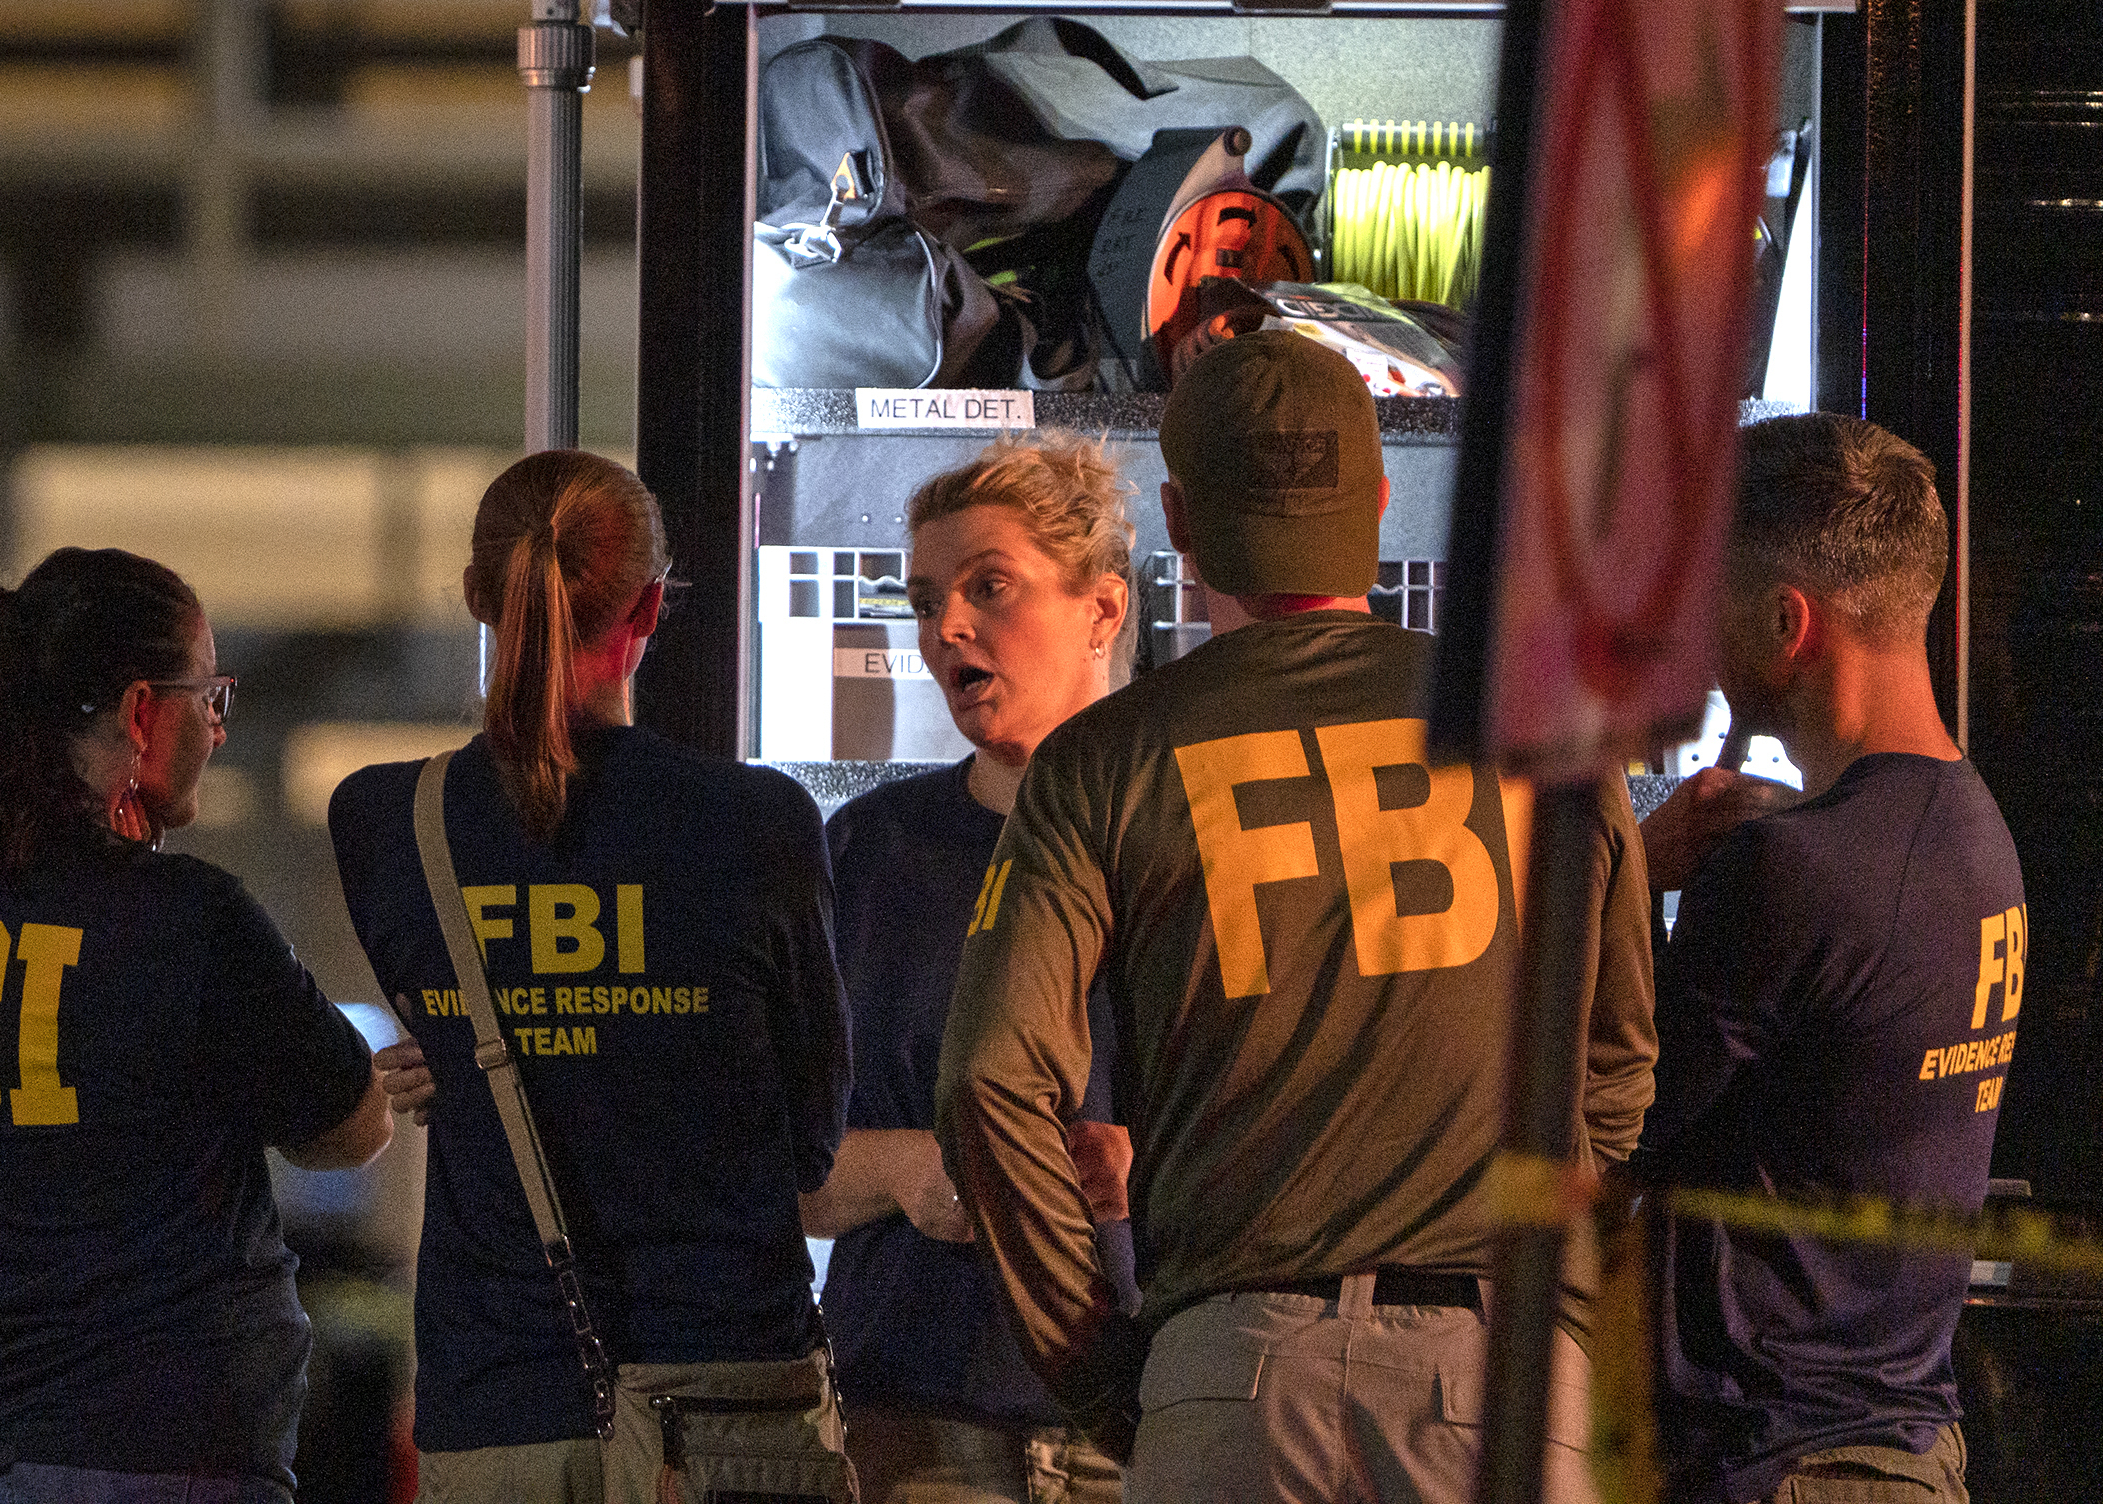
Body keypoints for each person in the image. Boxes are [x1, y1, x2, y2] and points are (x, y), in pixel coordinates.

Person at [937, 332, 1659, 1504]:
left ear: (1179, 518)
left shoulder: (1101, 763)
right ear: (1377, 500)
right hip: (1503, 1374)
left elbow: (986, 1081)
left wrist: (1106, 1368)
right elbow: (1619, 1060)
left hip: (1232, 1375)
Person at [328, 449, 852, 1501]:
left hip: (499, 1412)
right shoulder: (758, 826)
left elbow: (456, 1038)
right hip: (727, 1401)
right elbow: (811, 1141)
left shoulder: (389, 822)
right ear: (651, 608)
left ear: (481, 596)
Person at [0, 546, 392, 1501]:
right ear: (144, 712)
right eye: (209, 697)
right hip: (157, 1454)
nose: (220, 730)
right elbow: (355, 1123)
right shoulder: (187, 919)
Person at [1631, 414, 2023, 1504]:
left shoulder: (1787, 872)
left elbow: (1606, 1118)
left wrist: (1615, 872)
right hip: (1901, 1448)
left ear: (1786, 621)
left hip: (1788, 1461)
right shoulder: (1975, 836)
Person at [811, 437, 1140, 1504]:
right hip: (916, 1424)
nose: (946, 626)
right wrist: (910, 1170)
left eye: (989, 587)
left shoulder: (1191, 838)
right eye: (924, 599)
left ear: (1103, 610)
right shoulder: (867, 852)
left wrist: (1151, 1168)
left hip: (1147, 1417)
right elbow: (778, 1169)